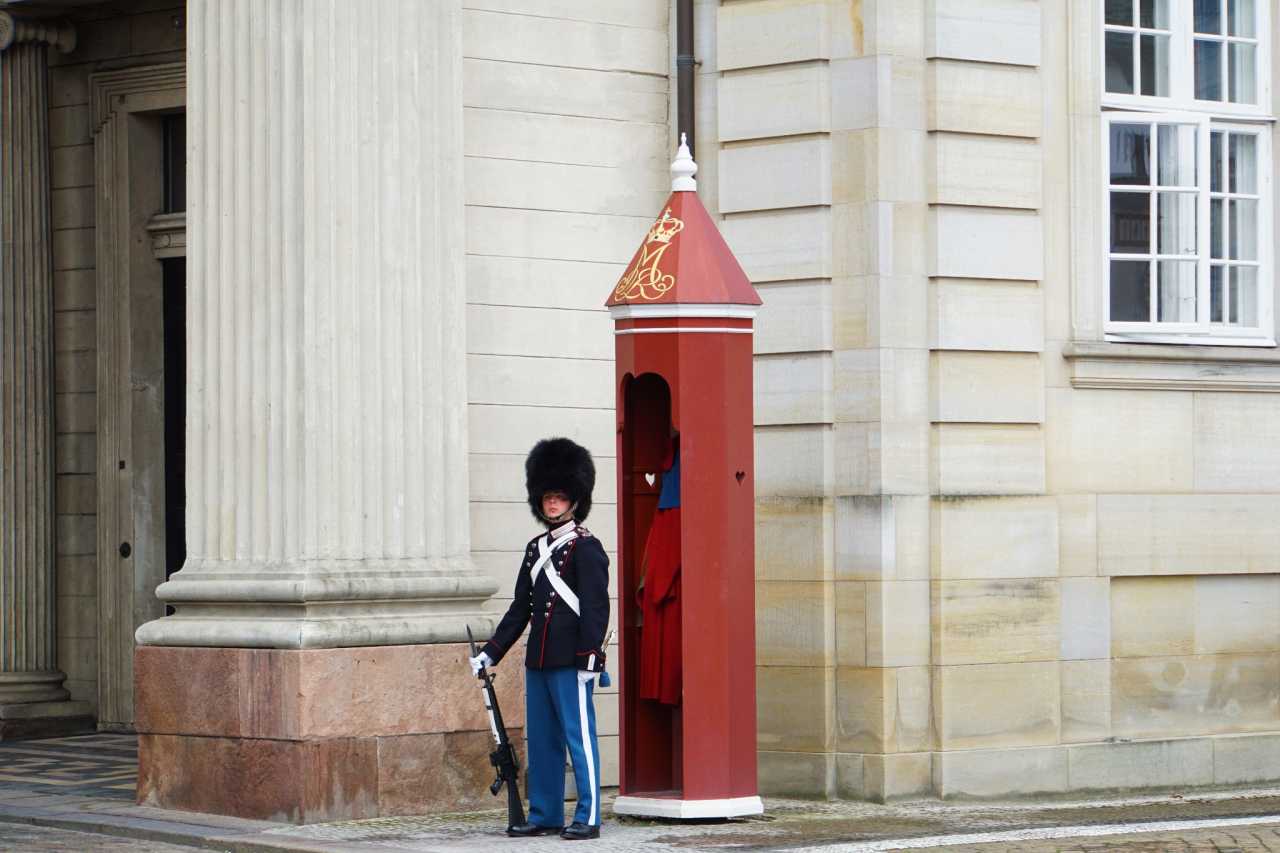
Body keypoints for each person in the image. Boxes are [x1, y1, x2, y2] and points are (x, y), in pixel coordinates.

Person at [469, 437, 610, 841]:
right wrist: (491, 652)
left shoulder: (586, 548)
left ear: (574, 500)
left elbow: (596, 609)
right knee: (544, 741)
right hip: (540, 660)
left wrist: (589, 659)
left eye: (559, 497)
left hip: (572, 661)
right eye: (547, 497)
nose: (552, 504)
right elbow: (521, 609)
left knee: (578, 739)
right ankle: (547, 813)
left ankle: (589, 815)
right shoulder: (535, 550)